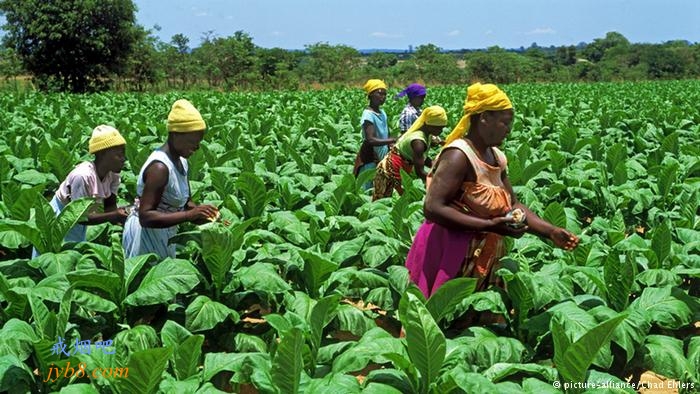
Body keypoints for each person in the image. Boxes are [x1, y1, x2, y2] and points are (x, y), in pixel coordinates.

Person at [405, 83, 580, 302]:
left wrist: (550, 232)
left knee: (479, 320)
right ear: (485, 118)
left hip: (483, 256)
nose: (509, 129)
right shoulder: (459, 155)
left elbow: (512, 205)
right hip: (449, 254)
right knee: (443, 319)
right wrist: (489, 226)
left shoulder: (496, 156)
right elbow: (433, 207)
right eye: (505, 122)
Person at [122, 99, 219, 259]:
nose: (197, 147)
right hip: (145, 237)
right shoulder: (159, 168)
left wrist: (208, 216)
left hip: (165, 234)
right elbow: (146, 217)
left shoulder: (182, 162)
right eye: (193, 141)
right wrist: (190, 215)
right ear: (176, 135)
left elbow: (186, 204)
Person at [32, 125, 129, 257]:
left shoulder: (113, 175)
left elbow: (110, 208)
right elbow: (80, 217)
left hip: (81, 222)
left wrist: (128, 215)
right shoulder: (83, 176)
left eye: (124, 153)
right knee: (52, 257)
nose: (124, 158)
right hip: (60, 218)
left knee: (74, 258)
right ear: (102, 153)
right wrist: (114, 215)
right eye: (119, 154)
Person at [372, 105, 447, 200]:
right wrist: (439, 182)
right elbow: (420, 172)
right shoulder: (418, 142)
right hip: (389, 171)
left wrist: (436, 167)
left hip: (402, 168)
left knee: (400, 199)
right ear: (428, 124)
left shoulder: (427, 134)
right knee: (384, 201)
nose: (441, 131)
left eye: (442, 128)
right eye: (438, 128)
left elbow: (423, 158)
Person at [353, 79, 396, 189]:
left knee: (380, 187)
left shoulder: (382, 113)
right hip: (370, 157)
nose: (383, 96)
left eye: (385, 94)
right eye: (379, 93)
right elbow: (370, 139)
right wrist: (392, 140)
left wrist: (391, 145)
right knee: (369, 188)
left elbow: (386, 134)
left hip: (382, 155)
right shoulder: (368, 115)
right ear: (371, 95)